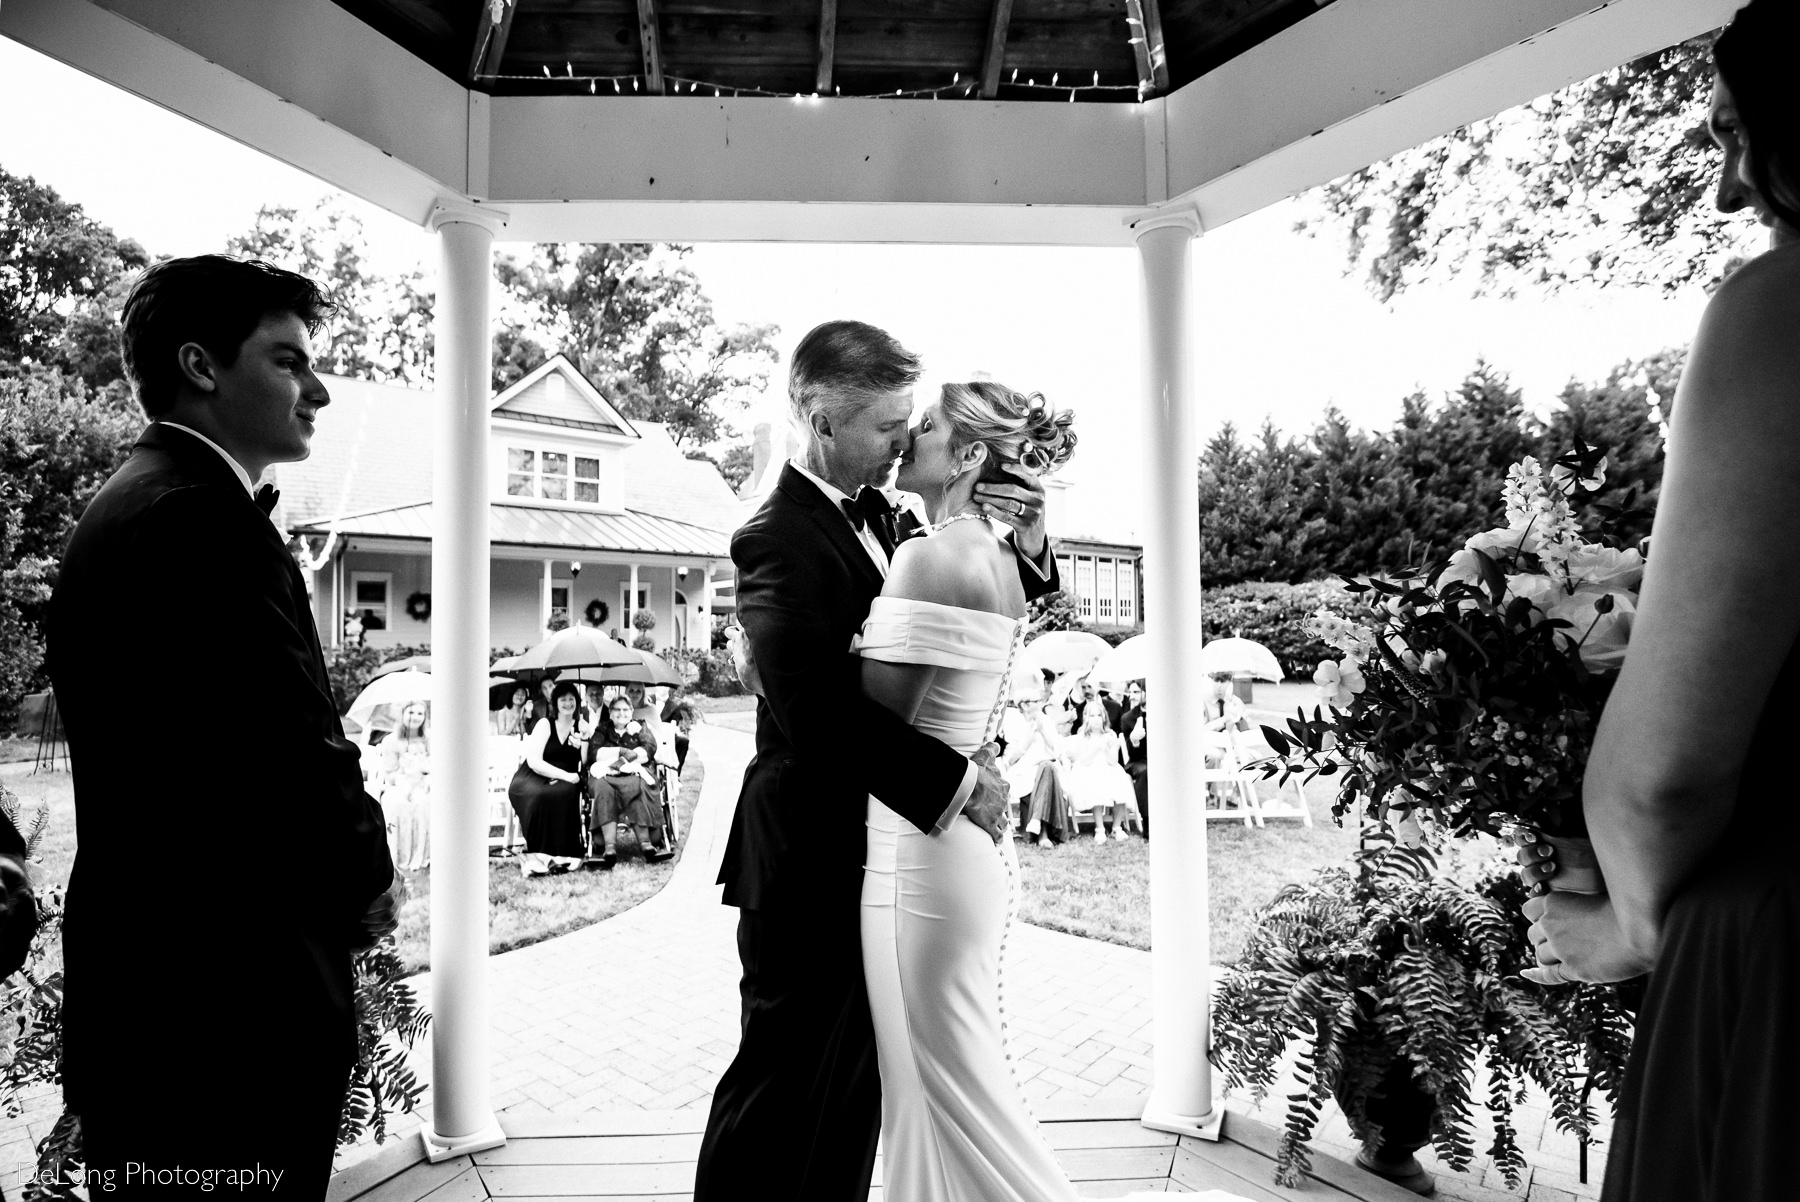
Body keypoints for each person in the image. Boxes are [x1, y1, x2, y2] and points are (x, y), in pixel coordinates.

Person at [1515, 6, 1800, 1199]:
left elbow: (1665, 769)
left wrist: (1634, 926)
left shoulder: (1785, 312)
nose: (1734, 192)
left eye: (1746, 138)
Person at [46, 254, 397, 1195]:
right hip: (222, 1009)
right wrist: (370, 876)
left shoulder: (138, 502)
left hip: (155, 990)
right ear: (202, 367)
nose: (318, 389)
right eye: (288, 361)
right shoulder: (197, 521)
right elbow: (291, 749)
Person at [694, 324, 1063, 1202]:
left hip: (885, 862)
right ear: (822, 421)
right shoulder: (775, 537)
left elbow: (970, 605)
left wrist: (1034, 539)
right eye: (889, 425)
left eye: (912, 422)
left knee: (860, 1096)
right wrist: (959, 781)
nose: (904, 439)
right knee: (779, 1087)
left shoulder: (897, 521)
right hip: (808, 859)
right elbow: (818, 713)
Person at [854, 379, 1162, 1200]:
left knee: (945, 1093)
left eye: (924, 427)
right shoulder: (1001, 562)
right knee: (946, 1091)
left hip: (917, 857)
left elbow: (870, 725)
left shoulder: (927, 557)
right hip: (960, 850)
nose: (906, 436)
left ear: (964, 455)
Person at [507, 681, 587, 876]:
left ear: (577, 702)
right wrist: (565, 775)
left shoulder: (580, 727)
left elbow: (584, 762)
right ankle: (538, 854)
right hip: (534, 775)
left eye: (571, 699)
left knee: (563, 793)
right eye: (563, 699)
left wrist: (584, 739)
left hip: (567, 779)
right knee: (538, 796)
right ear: (555, 703)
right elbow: (534, 761)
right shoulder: (545, 724)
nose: (568, 703)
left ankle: (563, 853)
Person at [587, 693, 673, 865]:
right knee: (603, 788)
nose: (621, 713)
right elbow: (595, 753)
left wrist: (621, 754)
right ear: (610, 712)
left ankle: (646, 844)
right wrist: (624, 752)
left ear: (632, 711)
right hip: (607, 775)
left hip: (635, 773)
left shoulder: (640, 726)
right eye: (617, 709)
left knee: (637, 786)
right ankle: (609, 847)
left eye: (625, 709)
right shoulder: (603, 729)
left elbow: (648, 749)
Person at [1059, 697, 1141, 841]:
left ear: (1104, 717)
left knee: (1120, 778)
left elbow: (1114, 761)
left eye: (1099, 715)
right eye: (1092, 716)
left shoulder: (1110, 735)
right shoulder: (1083, 736)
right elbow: (1083, 760)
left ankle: (1117, 827)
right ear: (1086, 718)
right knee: (1095, 780)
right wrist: (1098, 747)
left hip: (1109, 766)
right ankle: (1100, 827)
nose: (1096, 719)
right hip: (1088, 767)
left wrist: (1107, 748)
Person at [1120, 680, 1149, 834]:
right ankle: (1148, 822)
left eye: (1137, 692)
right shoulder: (1128, 718)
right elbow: (1132, 754)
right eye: (1130, 692)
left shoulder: (1164, 712)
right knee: (1146, 772)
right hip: (1139, 761)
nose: (1131, 696)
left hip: (1162, 760)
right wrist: (1134, 740)